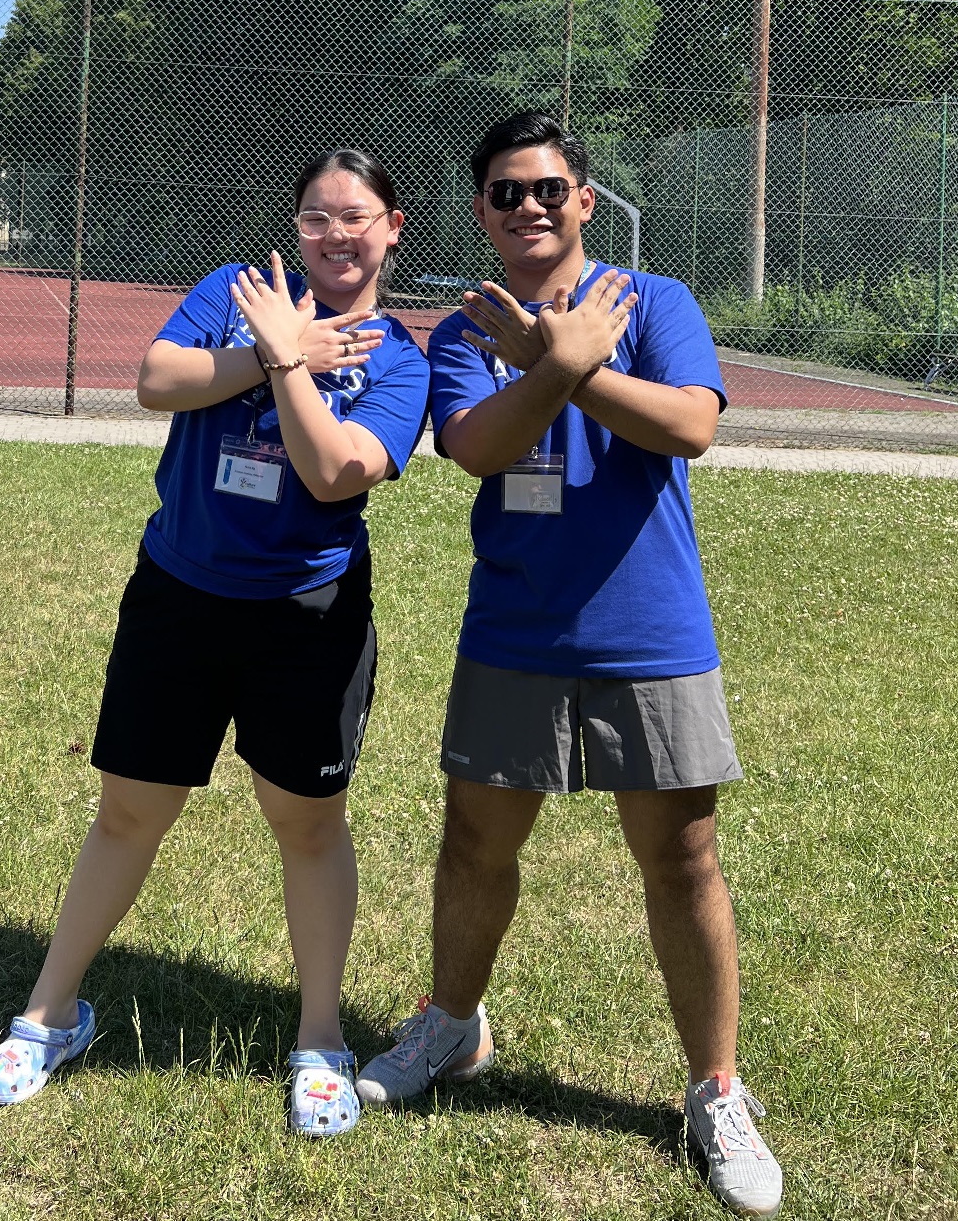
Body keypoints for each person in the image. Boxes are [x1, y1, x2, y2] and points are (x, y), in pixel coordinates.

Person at [356, 111, 783, 1216]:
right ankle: (450, 1027)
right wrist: (554, 366)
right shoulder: (464, 330)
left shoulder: (656, 304)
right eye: (504, 192)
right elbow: (476, 448)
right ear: (482, 212)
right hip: (515, 634)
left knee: (681, 861)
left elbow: (688, 426)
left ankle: (714, 1090)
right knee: (472, 844)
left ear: (584, 201)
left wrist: (563, 365)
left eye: (547, 189)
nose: (527, 207)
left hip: (651, 634)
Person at [0, 148, 429, 1138]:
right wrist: (265, 347)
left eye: (356, 217)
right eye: (314, 216)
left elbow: (332, 473)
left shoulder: (400, 357)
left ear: (393, 227)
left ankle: (318, 1039)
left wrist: (287, 361)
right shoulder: (238, 290)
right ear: (295, 226)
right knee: (128, 812)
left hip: (307, 618)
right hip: (177, 597)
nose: (334, 235)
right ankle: (49, 1016)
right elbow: (154, 379)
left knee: (306, 824)